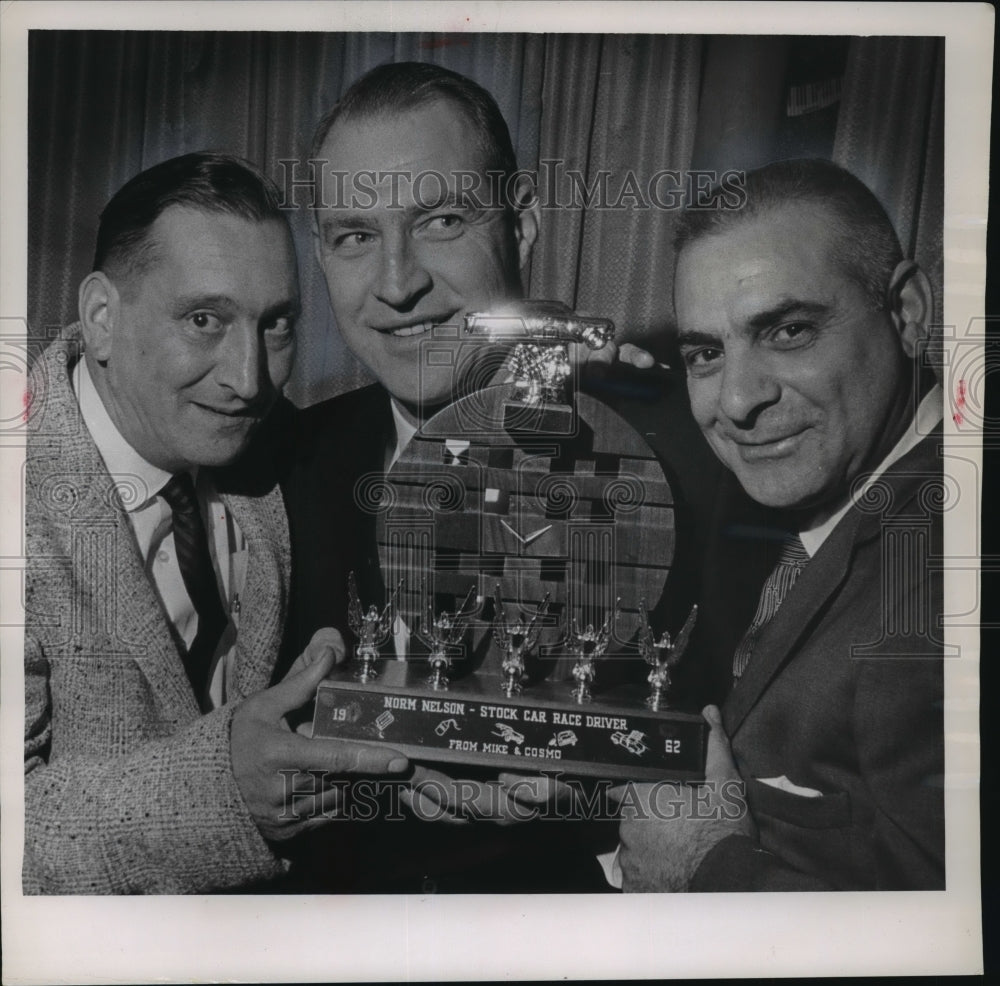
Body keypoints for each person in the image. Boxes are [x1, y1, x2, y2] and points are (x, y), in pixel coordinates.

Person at [280, 62, 719, 892]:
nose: (398, 283)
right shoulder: (277, 468)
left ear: (521, 230)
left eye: (442, 219)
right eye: (354, 236)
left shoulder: (682, 457)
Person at [23, 153, 408, 894]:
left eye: (277, 325)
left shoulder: (274, 449)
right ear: (102, 317)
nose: (249, 379)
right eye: (205, 320)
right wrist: (220, 794)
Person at [616, 158, 945, 891]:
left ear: (909, 312)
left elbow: (960, 933)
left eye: (789, 331)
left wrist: (704, 871)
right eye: (706, 353)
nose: (736, 400)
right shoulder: (810, 503)